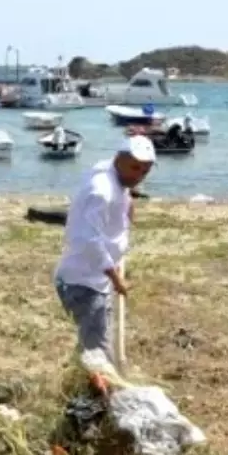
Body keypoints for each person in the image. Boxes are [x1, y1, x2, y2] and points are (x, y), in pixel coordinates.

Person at [54, 135, 155, 368]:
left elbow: (122, 190)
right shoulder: (101, 191)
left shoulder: (112, 173)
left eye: (145, 171)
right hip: (83, 283)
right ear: (119, 159)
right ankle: (97, 397)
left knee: (95, 341)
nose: (139, 176)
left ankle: (89, 379)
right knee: (98, 352)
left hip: (96, 280)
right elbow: (88, 240)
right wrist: (115, 277)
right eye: (135, 168)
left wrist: (127, 204)